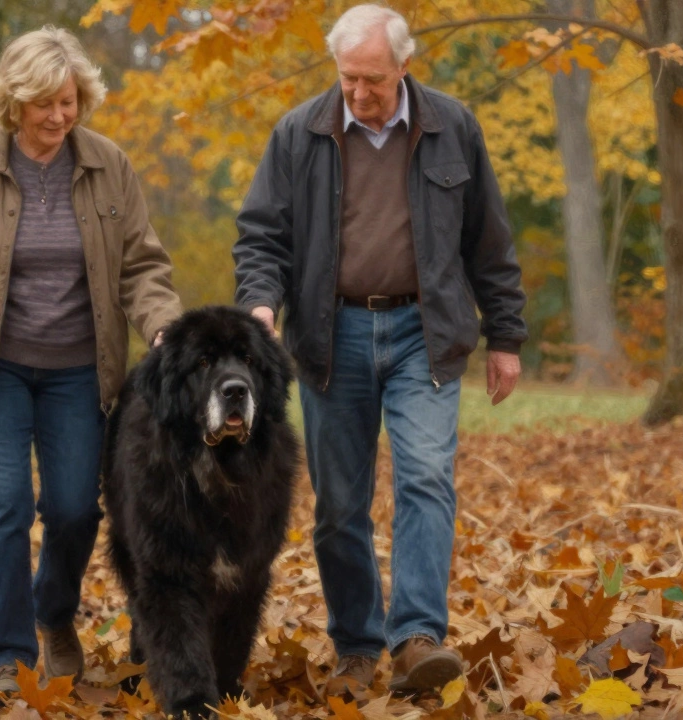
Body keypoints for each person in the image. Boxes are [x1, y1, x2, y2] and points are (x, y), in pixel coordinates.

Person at [233, 3, 528, 697]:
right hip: (329, 338)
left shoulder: (452, 127)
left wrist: (506, 334)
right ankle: (357, 644)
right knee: (340, 504)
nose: (359, 93)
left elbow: (489, 239)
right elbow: (261, 235)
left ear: (404, 65)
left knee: (425, 478)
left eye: (373, 79)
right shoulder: (298, 133)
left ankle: (418, 637)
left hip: (423, 334)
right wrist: (260, 301)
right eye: (348, 79)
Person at [0, 26, 181, 696]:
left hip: (79, 370)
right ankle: (9, 657)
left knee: (77, 508)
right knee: (3, 507)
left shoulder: (108, 165)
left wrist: (163, 327)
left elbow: (142, 264)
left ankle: (54, 613)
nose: (59, 116)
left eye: (70, 101)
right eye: (44, 103)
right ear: (14, 102)